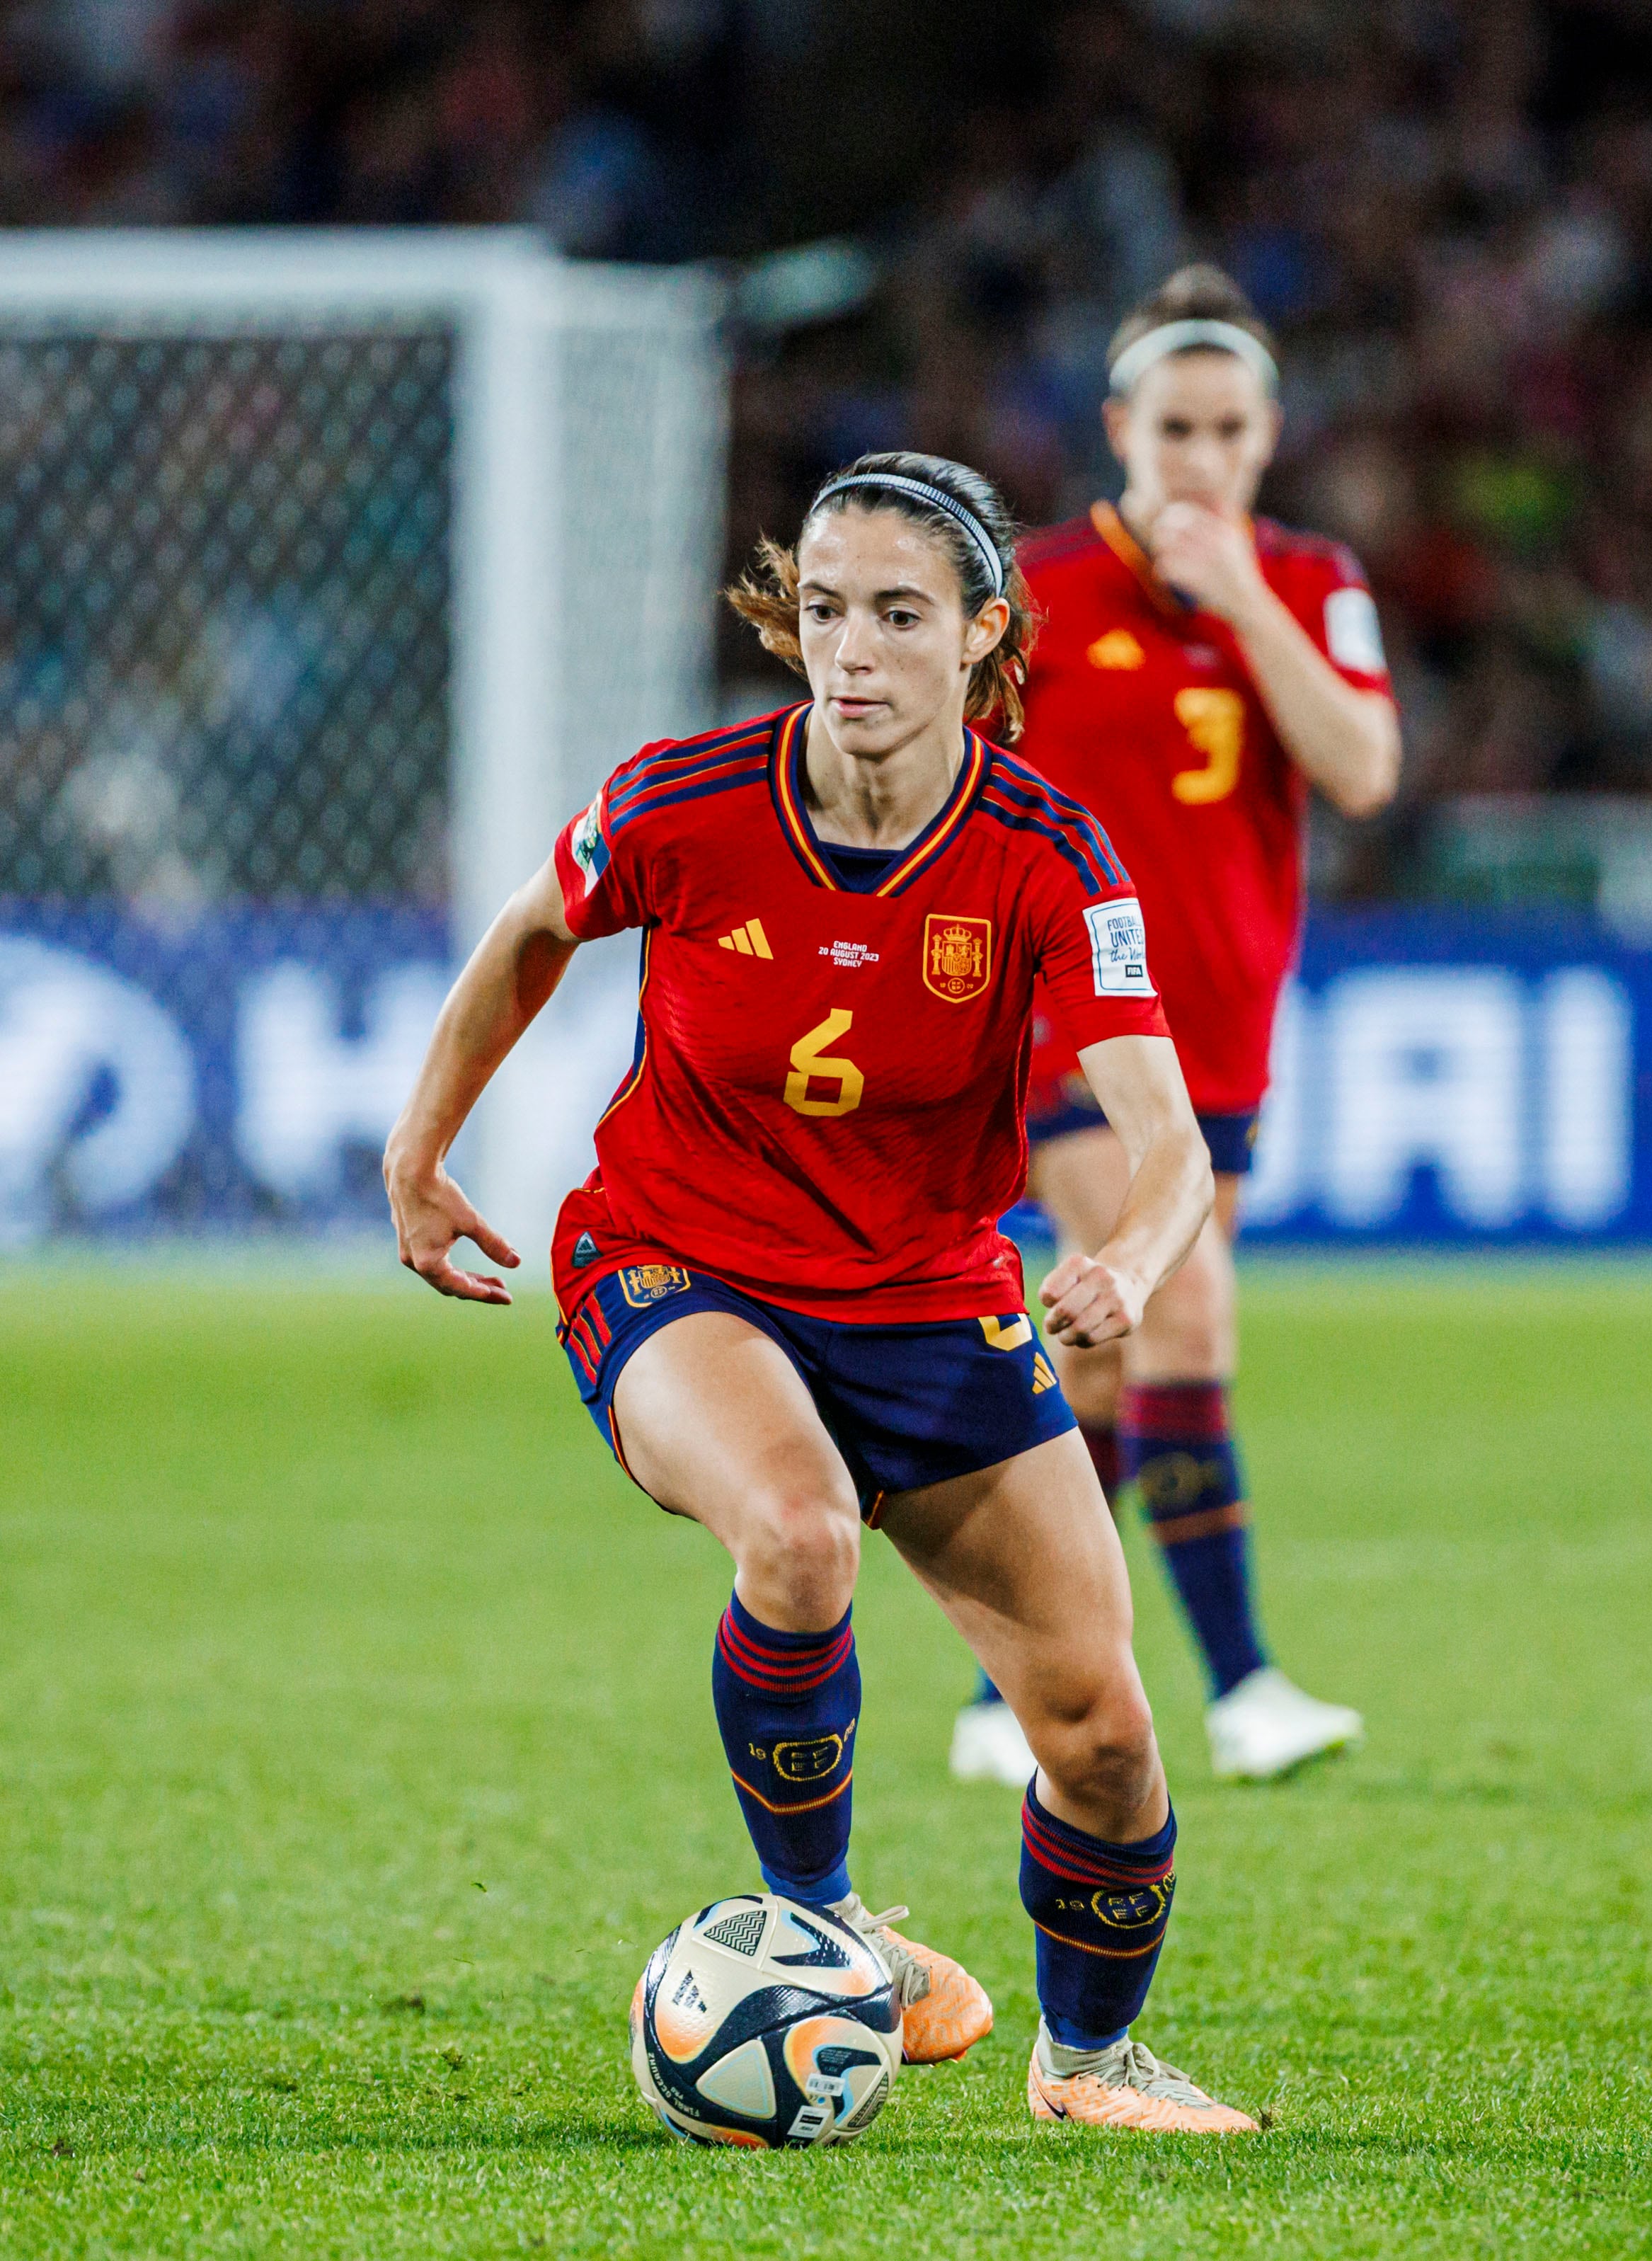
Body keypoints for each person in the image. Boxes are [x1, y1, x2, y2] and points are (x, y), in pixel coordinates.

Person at [384, 450, 1258, 2136]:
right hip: (674, 1257)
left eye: (896, 615)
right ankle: (822, 1921)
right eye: (823, 610)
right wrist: (419, 1157)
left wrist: (1130, 1260)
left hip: (930, 1297)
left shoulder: (1047, 858)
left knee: (1100, 1733)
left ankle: (1085, 2064)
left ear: (981, 634)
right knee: (794, 1534)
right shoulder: (681, 798)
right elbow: (522, 938)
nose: (848, 650)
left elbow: (1168, 1143)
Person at [951, 268, 1401, 1791]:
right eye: (1171, 427)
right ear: (1116, 430)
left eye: (1226, 428)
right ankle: (1244, 1684)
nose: (1198, 457)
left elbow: (1358, 769)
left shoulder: (1307, 580)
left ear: (1266, 435)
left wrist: (1245, 607)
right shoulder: (1033, 587)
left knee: (1093, 1365)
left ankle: (992, 1682)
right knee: (1184, 1311)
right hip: (1061, 1030)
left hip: (1218, 1038)